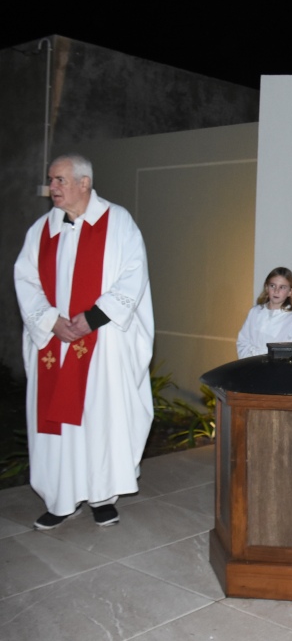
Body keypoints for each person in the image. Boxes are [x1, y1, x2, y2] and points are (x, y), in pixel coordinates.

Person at [14, 154, 155, 530]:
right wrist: (50, 321)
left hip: (103, 341)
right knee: (58, 425)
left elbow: (133, 274)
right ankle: (60, 499)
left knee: (99, 417)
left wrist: (91, 318)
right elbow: (25, 280)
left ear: (84, 183)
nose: (52, 188)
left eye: (59, 180)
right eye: (51, 181)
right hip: (54, 342)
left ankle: (102, 496)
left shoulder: (118, 222)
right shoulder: (41, 230)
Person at [236, 267, 292, 358]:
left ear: (290, 292)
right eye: (272, 286)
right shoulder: (255, 312)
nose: (276, 291)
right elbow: (242, 342)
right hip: (250, 365)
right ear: (267, 288)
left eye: (282, 287)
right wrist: (251, 359)